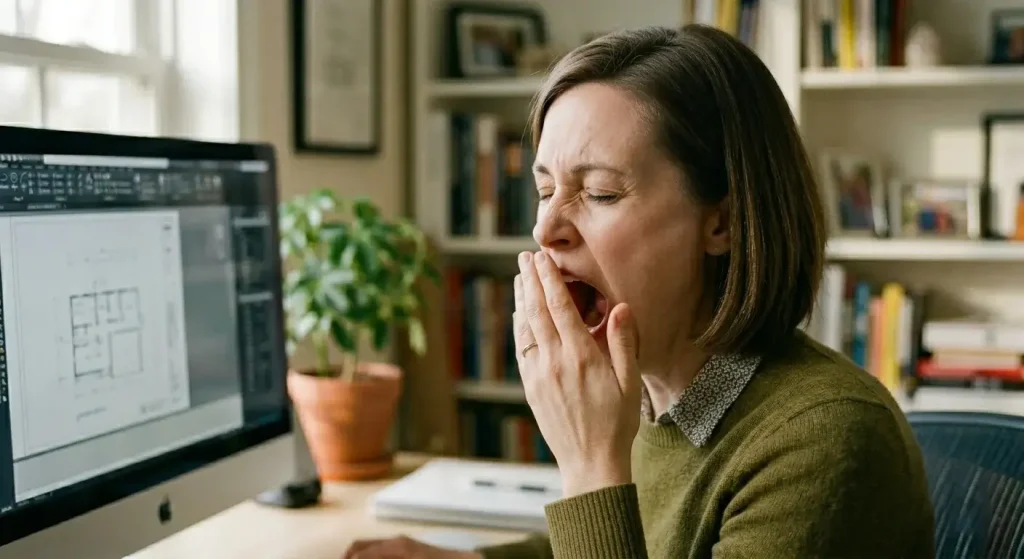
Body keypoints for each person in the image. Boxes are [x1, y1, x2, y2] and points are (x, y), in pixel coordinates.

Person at [343, 24, 935, 559]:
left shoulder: (822, 443)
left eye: (599, 193)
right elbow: (627, 536)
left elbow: (606, 521)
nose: (545, 229)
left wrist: (591, 461)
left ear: (722, 224)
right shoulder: (664, 393)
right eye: (546, 189)